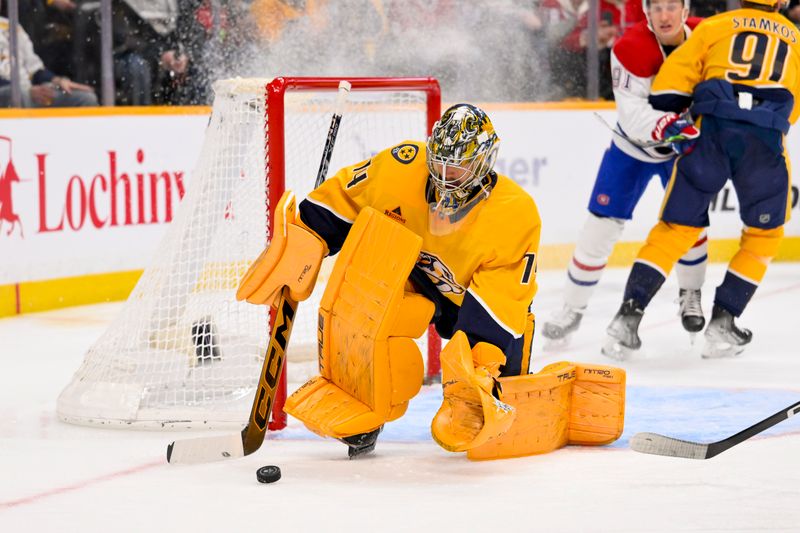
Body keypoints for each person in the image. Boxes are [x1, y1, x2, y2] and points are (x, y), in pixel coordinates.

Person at [236, 104, 626, 460]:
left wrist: (477, 367)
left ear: (485, 161)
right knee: (364, 300)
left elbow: (502, 298)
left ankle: (500, 391)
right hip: (414, 278)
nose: (444, 175)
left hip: (473, 303)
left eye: (457, 167)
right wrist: (307, 235)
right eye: (439, 163)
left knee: (492, 410)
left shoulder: (515, 214)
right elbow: (344, 197)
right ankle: (363, 409)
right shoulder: (400, 165)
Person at [604, 0, 800, 359]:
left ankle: (627, 318)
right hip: (765, 140)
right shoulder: (797, 41)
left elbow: (666, 90)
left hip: (711, 130)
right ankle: (724, 321)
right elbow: (794, 109)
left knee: (676, 228)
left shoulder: (714, 26)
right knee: (764, 234)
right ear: (781, 2)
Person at [542, 0, 707, 347]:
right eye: (656, 7)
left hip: (681, 151)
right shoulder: (630, 47)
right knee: (599, 228)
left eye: (671, 7)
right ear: (646, 12)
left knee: (690, 225)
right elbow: (633, 116)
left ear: (685, 8)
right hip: (633, 149)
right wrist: (675, 126)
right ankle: (571, 309)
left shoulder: (706, 36)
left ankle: (690, 294)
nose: (664, 15)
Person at [0, 7, 97, 108]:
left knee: (86, 98)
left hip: (28, 92)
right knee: (18, 95)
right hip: (11, 92)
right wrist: (25, 90)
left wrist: (57, 80)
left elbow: (34, 68)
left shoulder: (12, 26)